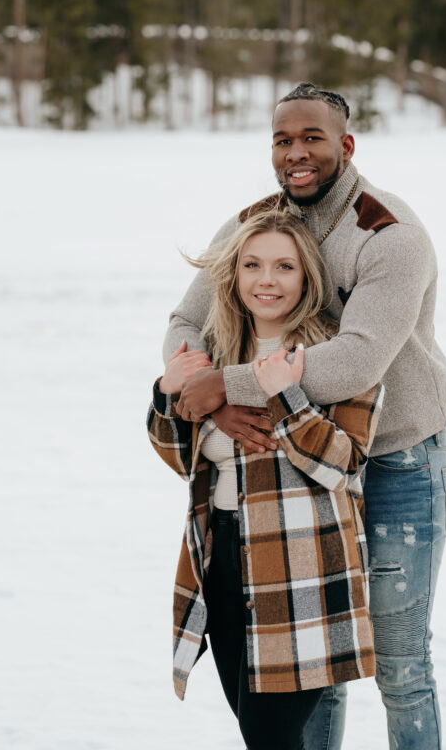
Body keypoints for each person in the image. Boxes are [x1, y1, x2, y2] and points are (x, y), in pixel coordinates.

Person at [164, 83, 446, 750]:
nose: (295, 153)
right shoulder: (253, 223)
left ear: (345, 146)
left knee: (399, 664)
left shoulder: (388, 235)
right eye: (282, 140)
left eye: (311, 138)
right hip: (297, 466)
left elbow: (353, 364)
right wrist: (199, 390)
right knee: (315, 666)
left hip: (393, 461)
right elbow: (187, 320)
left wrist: (226, 386)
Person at [147, 210, 384, 750]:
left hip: (302, 569)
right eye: (252, 265)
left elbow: (343, 465)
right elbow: (180, 459)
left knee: (269, 738)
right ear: (233, 275)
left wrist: (286, 400)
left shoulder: (335, 355)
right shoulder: (216, 354)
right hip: (223, 556)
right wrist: (168, 392)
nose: (266, 280)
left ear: (307, 278)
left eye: (284, 266)